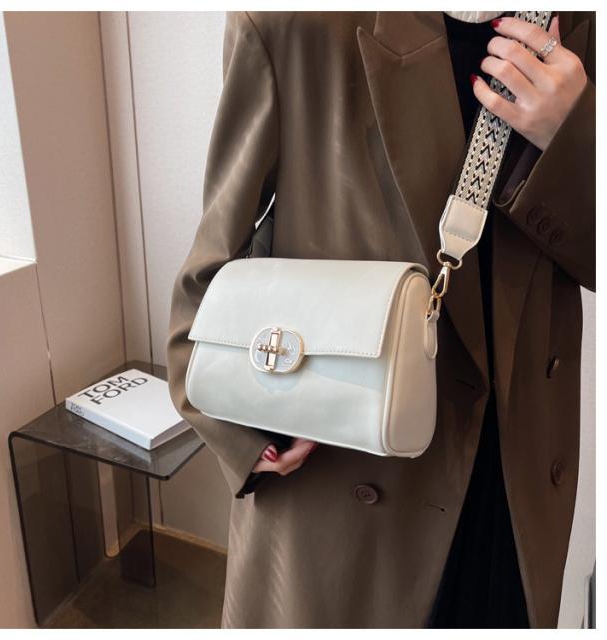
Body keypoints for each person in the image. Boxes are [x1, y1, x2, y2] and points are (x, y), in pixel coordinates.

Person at [166, 11, 595, 628]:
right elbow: (211, 267)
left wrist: (577, 139)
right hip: (347, 480)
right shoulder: (293, 21)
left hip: (513, 493)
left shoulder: (579, 25)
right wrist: (244, 433)